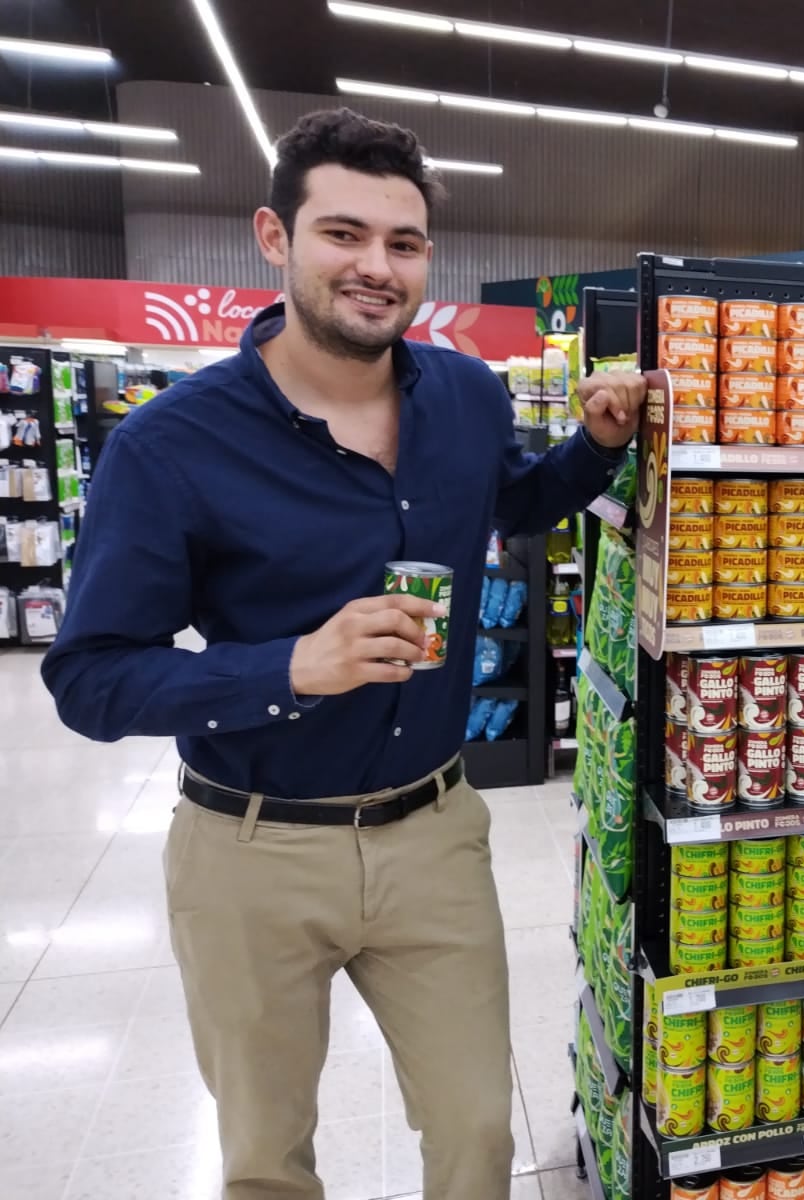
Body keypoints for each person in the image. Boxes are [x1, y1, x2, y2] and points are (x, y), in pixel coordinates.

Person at [42, 108, 645, 1200]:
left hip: (434, 830)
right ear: (276, 237)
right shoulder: (171, 445)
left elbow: (507, 503)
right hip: (251, 855)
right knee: (266, 1159)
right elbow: (88, 677)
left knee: (474, 1135)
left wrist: (594, 448)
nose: (376, 267)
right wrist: (286, 668)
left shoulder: (464, 393)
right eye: (344, 234)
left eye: (403, 244)